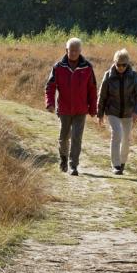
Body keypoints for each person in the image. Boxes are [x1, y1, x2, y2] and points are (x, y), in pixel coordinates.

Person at [45, 37, 98, 176]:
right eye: (71, 50)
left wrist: (93, 108)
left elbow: (92, 89)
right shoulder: (58, 67)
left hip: (81, 110)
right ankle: (63, 158)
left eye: (76, 50)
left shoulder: (87, 67)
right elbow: (50, 87)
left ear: (80, 51)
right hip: (64, 109)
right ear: (66, 50)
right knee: (64, 137)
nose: (74, 53)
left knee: (76, 137)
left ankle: (73, 165)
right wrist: (50, 103)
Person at [97, 49, 137, 175]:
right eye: (118, 64)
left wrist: (136, 111)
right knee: (117, 134)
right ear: (114, 63)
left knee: (126, 139)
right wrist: (100, 114)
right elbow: (102, 95)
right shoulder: (108, 76)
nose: (121, 67)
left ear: (128, 64)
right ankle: (116, 165)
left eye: (124, 65)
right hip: (113, 111)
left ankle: (122, 162)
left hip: (129, 112)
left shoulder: (134, 76)